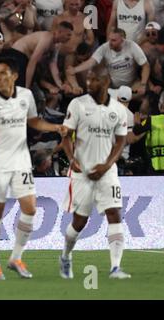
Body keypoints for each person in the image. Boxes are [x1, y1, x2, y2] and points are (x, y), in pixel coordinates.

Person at [0, 57, 67, 280]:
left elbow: (33, 122)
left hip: (21, 160)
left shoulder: (26, 96)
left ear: (14, 75)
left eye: (3, 73)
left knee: (30, 208)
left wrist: (55, 127)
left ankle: (15, 257)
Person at [60, 65, 131, 280]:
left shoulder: (118, 110)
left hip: (107, 172)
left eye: (94, 80)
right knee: (79, 222)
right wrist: (72, 160)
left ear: (106, 82)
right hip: (82, 173)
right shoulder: (78, 105)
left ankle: (115, 268)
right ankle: (65, 255)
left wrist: (108, 164)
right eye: (88, 79)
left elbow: (121, 141)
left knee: (114, 213)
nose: (89, 83)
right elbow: (66, 136)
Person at [67, 28, 150, 99]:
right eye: (110, 39)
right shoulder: (104, 47)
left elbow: (145, 66)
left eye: (114, 40)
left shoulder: (132, 46)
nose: (110, 42)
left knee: (141, 91)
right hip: (112, 86)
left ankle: (117, 99)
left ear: (122, 40)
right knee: (98, 84)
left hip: (131, 84)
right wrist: (75, 69)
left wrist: (143, 84)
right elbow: (91, 62)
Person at [3, 20, 73, 88]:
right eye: (68, 35)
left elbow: (53, 64)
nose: (70, 38)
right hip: (16, 54)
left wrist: (59, 84)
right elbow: (32, 62)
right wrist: (27, 86)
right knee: (20, 85)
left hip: (25, 58)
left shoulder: (57, 45)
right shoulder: (47, 38)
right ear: (60, 32)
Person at [133, 91, 164, 174]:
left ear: (161, 105)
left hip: (156, 164)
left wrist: (137, 119)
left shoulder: (152, 120)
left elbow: (136, 131)